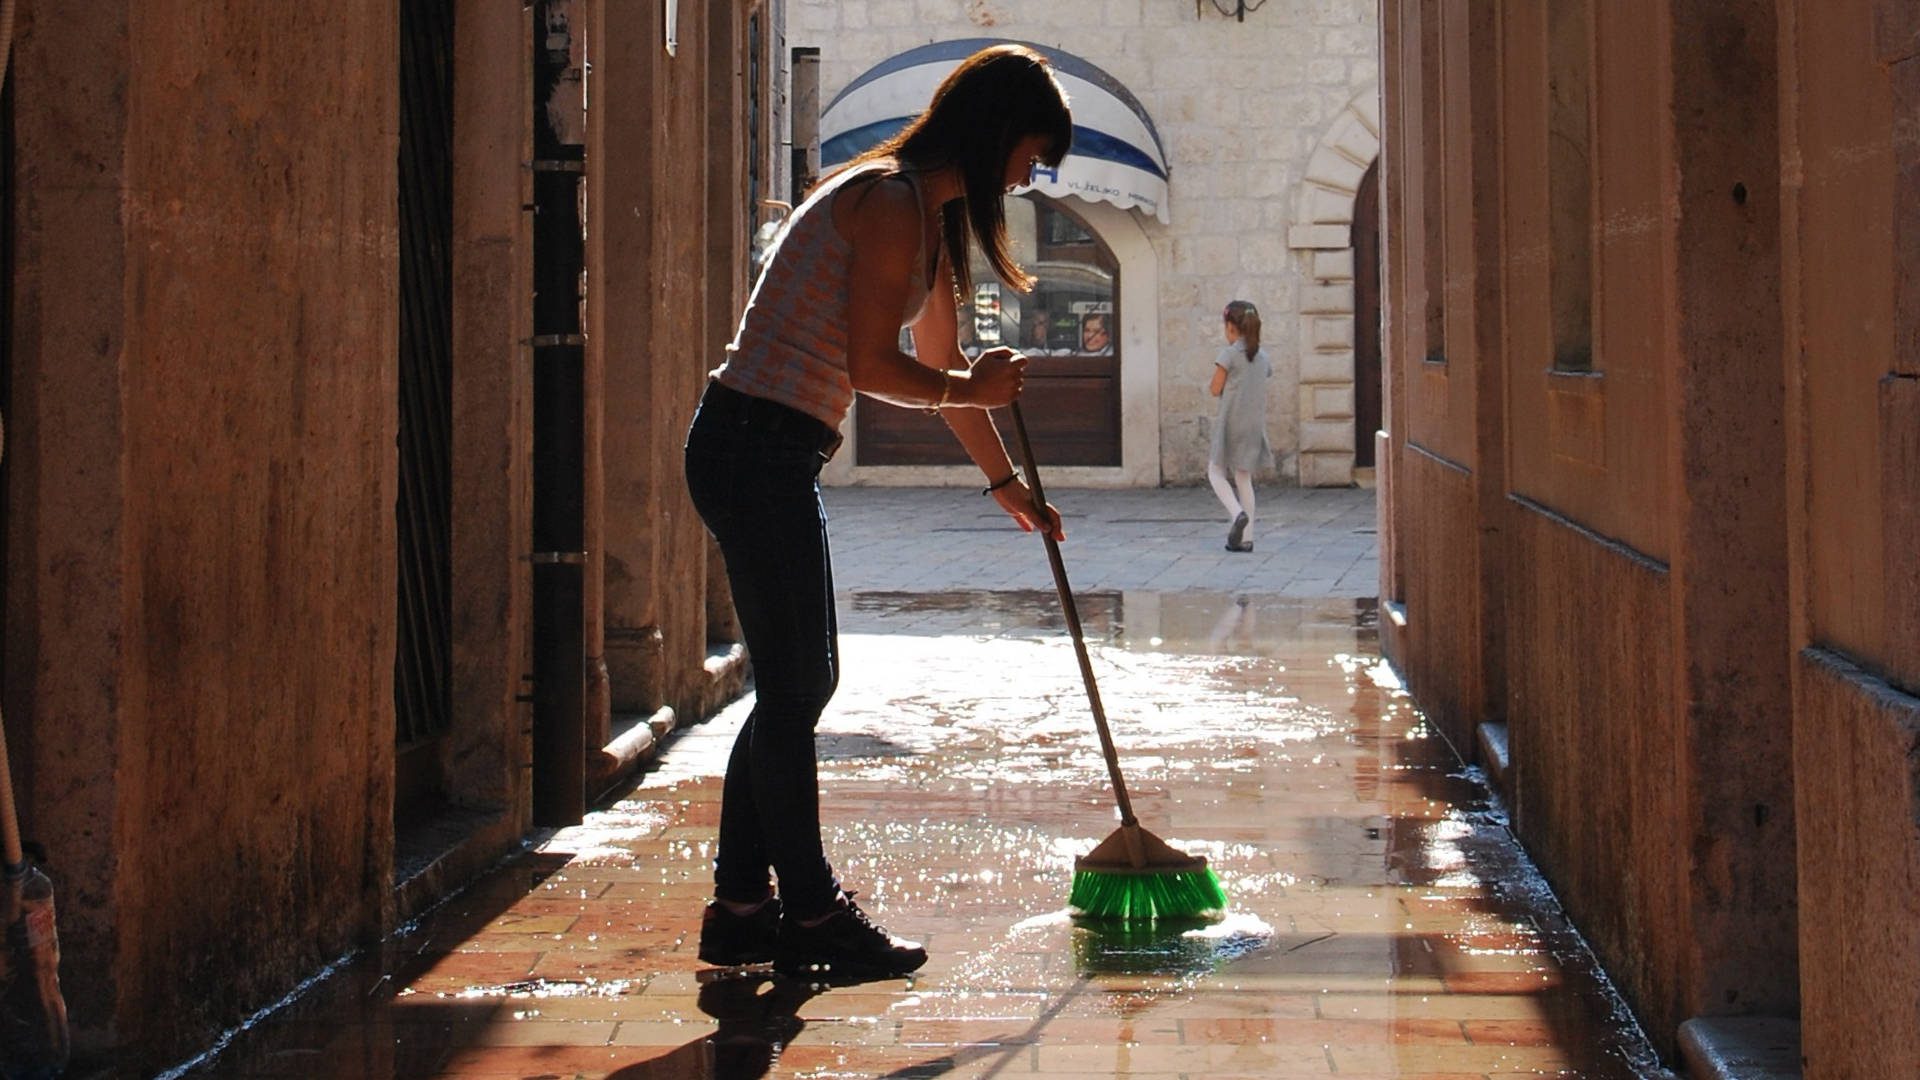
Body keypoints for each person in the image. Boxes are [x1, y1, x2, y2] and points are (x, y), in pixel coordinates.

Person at [682, 44, 1071, 980]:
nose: (1031, 176)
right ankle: (809, 914)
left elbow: (942, 361)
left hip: (775, 450)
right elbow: (875, 366)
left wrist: (1007, 483)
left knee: (793, 684)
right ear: (992, 132)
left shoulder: (928, 224)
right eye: (1031, 153)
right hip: (751, 445)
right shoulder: (887, 200)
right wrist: (970, 392)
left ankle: (742, 910)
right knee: (798, 686)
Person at [1207, 300, 1273, 552]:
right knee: (1244, 477)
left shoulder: (1229, 355)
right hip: (1254, 424)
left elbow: (1215, 388)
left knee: (1215, 471)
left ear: (1231, 327)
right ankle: (1247, 538)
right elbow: (1265, 375)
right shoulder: (1263, 357)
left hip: (1231, 422)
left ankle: (1236, 514)